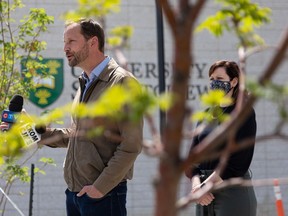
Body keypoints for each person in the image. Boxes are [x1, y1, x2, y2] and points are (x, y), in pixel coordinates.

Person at [39, 18, 143, 216]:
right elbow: (78, 136)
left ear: (93, 42)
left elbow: (131, 145)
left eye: (71, 41)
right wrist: (38, 133)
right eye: (64, 42)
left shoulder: (122, 83)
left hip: (104, 196)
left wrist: (100, 188)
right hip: (76, 195)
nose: (65, 48)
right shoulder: (86, 82)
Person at [185, 60, 257, 216]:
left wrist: (206, 185)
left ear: (234, 82)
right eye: (211, 79)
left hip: (231, 191)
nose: (214, 83)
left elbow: (238, 162)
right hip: (203, 194)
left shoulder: (243, 113)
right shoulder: (205, 114)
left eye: (219, 79)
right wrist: (197, 186)